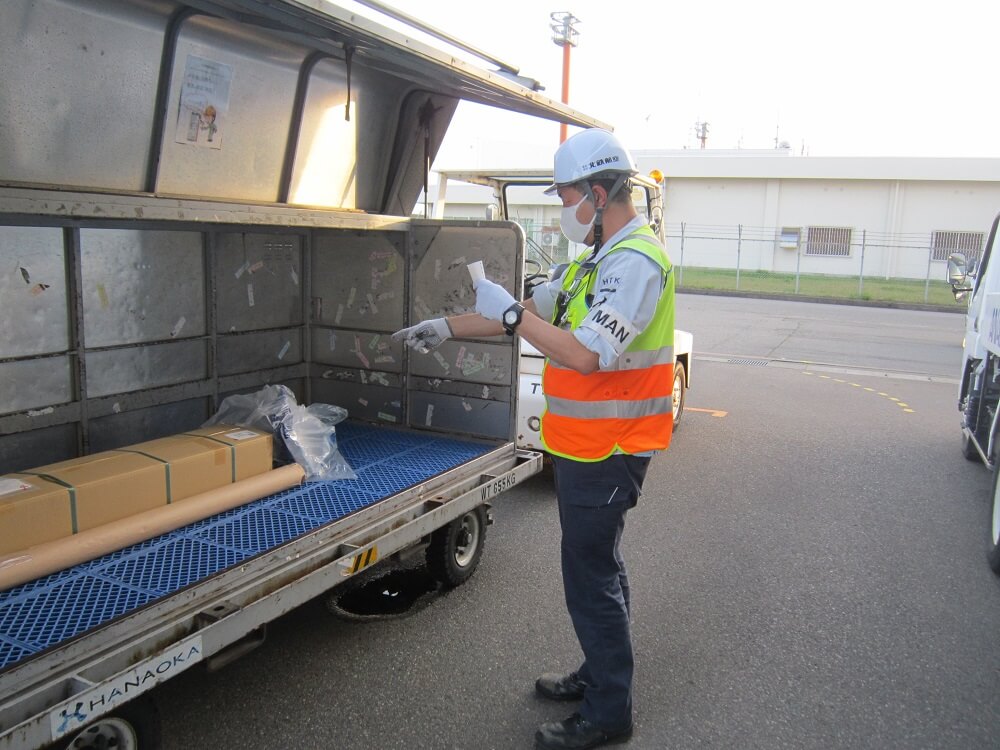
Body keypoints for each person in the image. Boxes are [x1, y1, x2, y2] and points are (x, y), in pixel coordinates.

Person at [393, 128, 676, 749]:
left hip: (610, 450)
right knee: (599, 566)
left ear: (599, 194)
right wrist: (446, 326)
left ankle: (608, 712)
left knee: (590, 576)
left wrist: (516, 317)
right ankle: (602, 674)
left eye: (568, 196)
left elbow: (582, 355)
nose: (565, 208)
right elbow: (524, 310)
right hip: (584, 447)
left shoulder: (633, 264)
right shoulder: (596, 258)